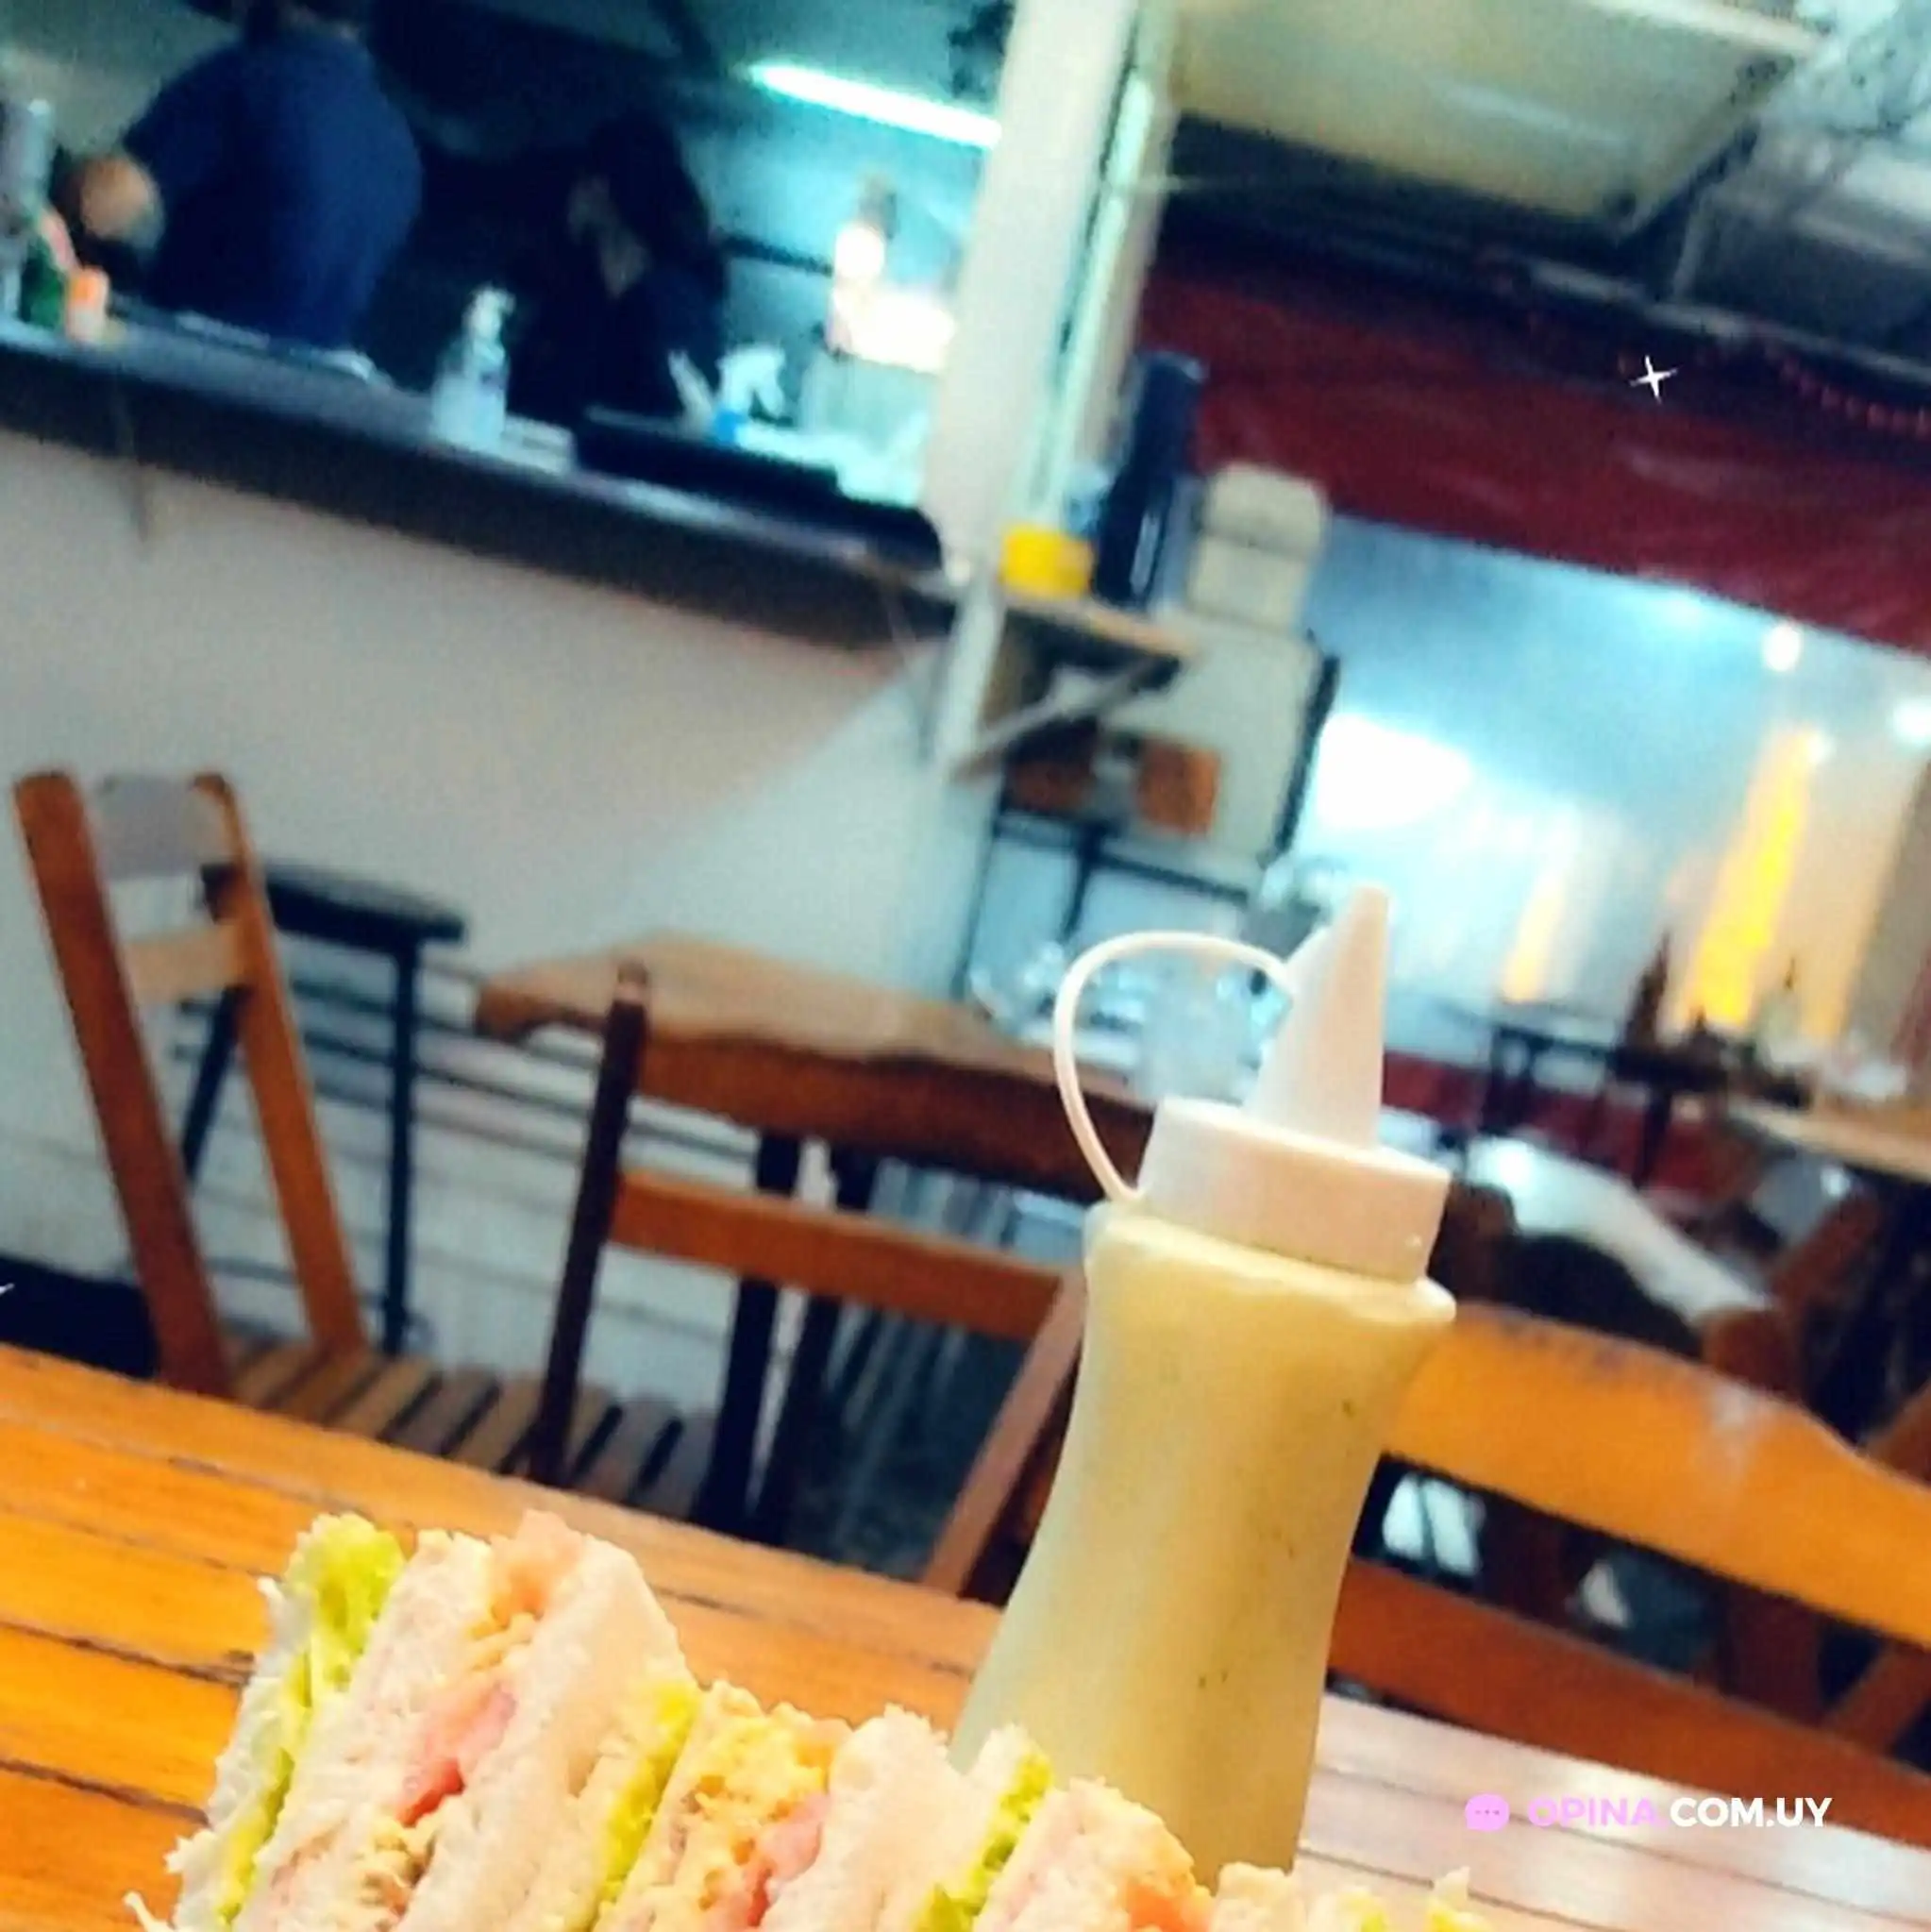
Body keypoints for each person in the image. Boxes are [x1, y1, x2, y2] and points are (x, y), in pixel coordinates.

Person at [62, 0, 419, 351]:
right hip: (305, 384)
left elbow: (99, 206)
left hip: (186, 363)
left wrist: (58, 177)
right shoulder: (398, 143)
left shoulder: (246, 80)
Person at [508, 112, 727, 428]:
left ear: (599, 188)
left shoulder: (671, 306)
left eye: (582, 179)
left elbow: (668, 415)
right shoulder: (577, 296)